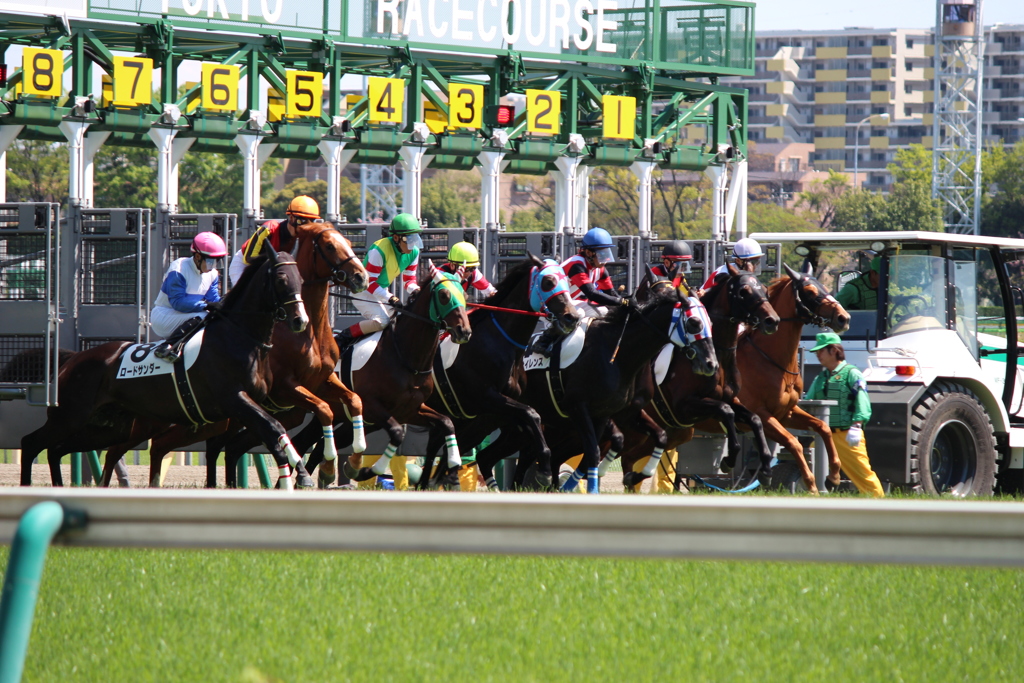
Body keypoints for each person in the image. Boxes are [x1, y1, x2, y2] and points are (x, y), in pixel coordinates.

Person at [804, 331, 885, 497]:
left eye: (821, 351)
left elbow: (862, 400)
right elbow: (809, 400)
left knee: (863, 475)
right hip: (823, 436)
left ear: (833, 350)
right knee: (807, 468)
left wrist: (857, 425)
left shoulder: (852, 373)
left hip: (847, 435)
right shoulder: (821, 377)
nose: (817, 355)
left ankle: (880, 507)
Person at [529, 227, 629, 356]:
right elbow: (592, 294)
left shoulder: (601, 269)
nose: (605, 258)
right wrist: (621, 301)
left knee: (604, 311)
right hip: (552, 306)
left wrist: (627, 303)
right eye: (601, 253)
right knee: (579, 313)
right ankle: (544, 341)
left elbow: (611, 295)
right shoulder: (577, 265)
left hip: (570, 304)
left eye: (606, 252)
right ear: (588, 253)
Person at [338, 213, 423, 343]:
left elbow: (409, 281)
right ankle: (343, 337)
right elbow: (370, 283)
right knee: (382, 322)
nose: (413, 244)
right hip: (362, 293)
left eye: (415, 238)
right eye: (409, 239)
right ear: (396, 237)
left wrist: (417, 290)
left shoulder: (414, 252)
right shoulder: (378, 250)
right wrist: (390, 298)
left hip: (380, 291)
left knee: (401, 322)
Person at [151, 232, 227, 362]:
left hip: (185, 317)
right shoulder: (179, 268)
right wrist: (206, 305)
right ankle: (167, 346)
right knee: (204, 315)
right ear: (197, 256)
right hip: (164, 316)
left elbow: (214, 300)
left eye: (217, 261)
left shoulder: (213, 274)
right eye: (210, 261)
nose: (213, 266)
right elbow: (178, 303)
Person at [227, 195, 321, 286]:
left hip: (275, 271)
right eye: (302, 222)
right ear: (291, 218)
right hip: (244, 266)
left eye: (310, 222)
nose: (305, 229)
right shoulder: (269, 229)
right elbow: (249, 259)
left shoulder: (305, 239)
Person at [429, 241, 496, 298]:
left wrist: (493, 295)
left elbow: (490, 291)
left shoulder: (474, 273)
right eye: (466, 269)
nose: (469, 273)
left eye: (472, 268)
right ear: (452, 265)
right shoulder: (439, 274)